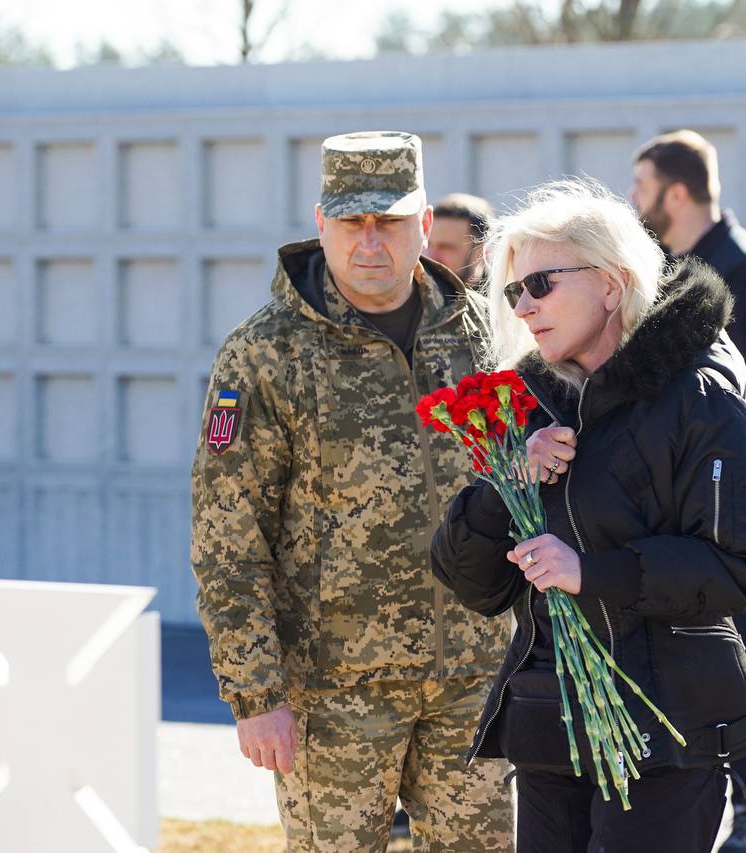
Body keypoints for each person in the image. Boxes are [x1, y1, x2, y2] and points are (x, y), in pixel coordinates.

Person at [431, 179, 746, 853]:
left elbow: (737, 568)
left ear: (613, 285)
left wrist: (592, 573)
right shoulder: (526, 403)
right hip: (547, 725)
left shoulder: (699, 398)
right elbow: (470, 582)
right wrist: (506, 483)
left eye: (542, 284)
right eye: (513, 292)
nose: (525, 308)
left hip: (667, 730)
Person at [191, 131, 512, 853]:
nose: (372, 242)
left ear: (424, 226)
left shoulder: (480, 334)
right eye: (352, 222)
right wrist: (255, 692)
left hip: (471, 674)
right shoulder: (267, 351)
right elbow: (228, 533)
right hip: (332, 691)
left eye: (391, 221)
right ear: (321, 222)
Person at [631, 130, 746, 853]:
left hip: (719, 502)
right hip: (661, 500)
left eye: (642, 187)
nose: (634, 201)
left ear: (678, 192)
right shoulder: (658, 269)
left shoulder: (742, 269)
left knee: (734, 646)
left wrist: (721, 491)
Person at [426, 193, 494, 287]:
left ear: (480, 253)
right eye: (428, 245)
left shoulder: (511, 298)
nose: (431, 257)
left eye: (445, 247)